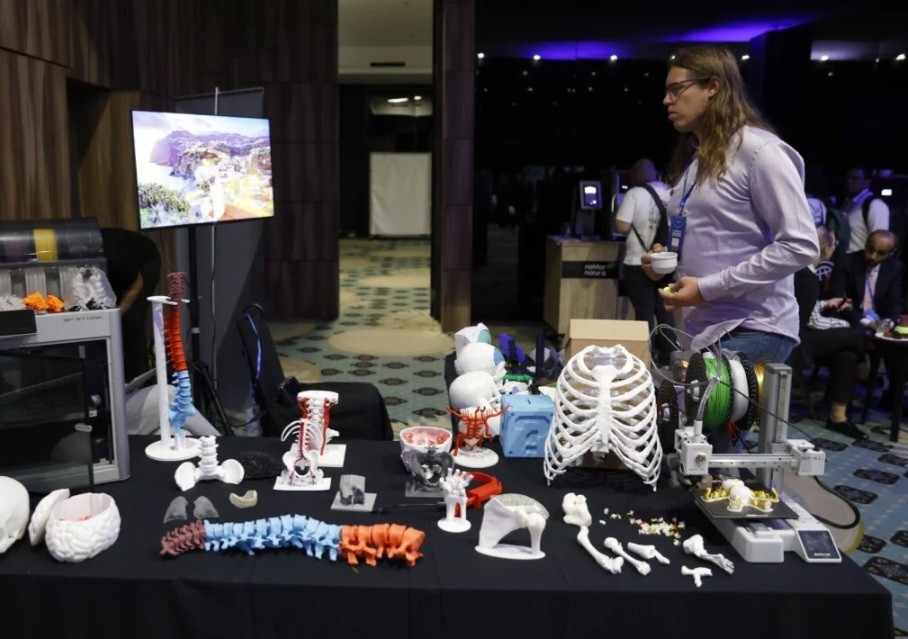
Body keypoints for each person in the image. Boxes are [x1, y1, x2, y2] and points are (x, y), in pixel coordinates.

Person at [641, 45, 818, 450]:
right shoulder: (698, 160)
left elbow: (801, 245)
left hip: (754, 325)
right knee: (688, 443)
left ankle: (734, 492)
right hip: (706, 327)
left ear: (713, 87)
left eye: (676, 89)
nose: (667, 100)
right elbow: (710, 238)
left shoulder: (761, 152)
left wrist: (707, 287)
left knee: (713, 448)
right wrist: (665, 260)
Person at [792, 227, 868, 439]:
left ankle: (838, 417)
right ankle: (864, 368)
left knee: (847, 355)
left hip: (800, 333)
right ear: (826, 249)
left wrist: (826, 304)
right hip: (797, 341)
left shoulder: (803, 270)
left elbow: (807, 308)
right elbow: (813, 321)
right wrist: (841, 325)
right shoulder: (806, 275)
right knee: (856, 334)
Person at [613, 157, 674, 365]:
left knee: (644, 312)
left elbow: (622, 226)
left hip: (638, 262)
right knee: (664, 311)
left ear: (637, 174)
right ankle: (670, 356)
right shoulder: (669, 192)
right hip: (664, 262)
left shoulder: (635, 194)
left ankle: (645, 358)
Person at [100, 227, 162, 382]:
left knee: (131, 320)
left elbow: (136, 285)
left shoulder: (115, 256)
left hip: (144, 262)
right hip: (118, 270)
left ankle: (135, 381)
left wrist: (115, 316)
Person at [828, 230, 904, 332]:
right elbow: (838, 301)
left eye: (881, 253)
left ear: (891, 252)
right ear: (865, 244)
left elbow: (896, 303)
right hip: (851, 321)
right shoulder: (846, 262)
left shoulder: (895, 268)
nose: (873, 257)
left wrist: (888, 322)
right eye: (870, 249)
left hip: (881, 320)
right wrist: (868, 323)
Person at [841, 166, 889, 255]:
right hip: (844, 258)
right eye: (848, 178)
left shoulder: (875, 205)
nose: (849, 181)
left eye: (855, 178)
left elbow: (880, 242)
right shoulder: (850, 203)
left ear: (867, 181)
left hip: (860, 260)